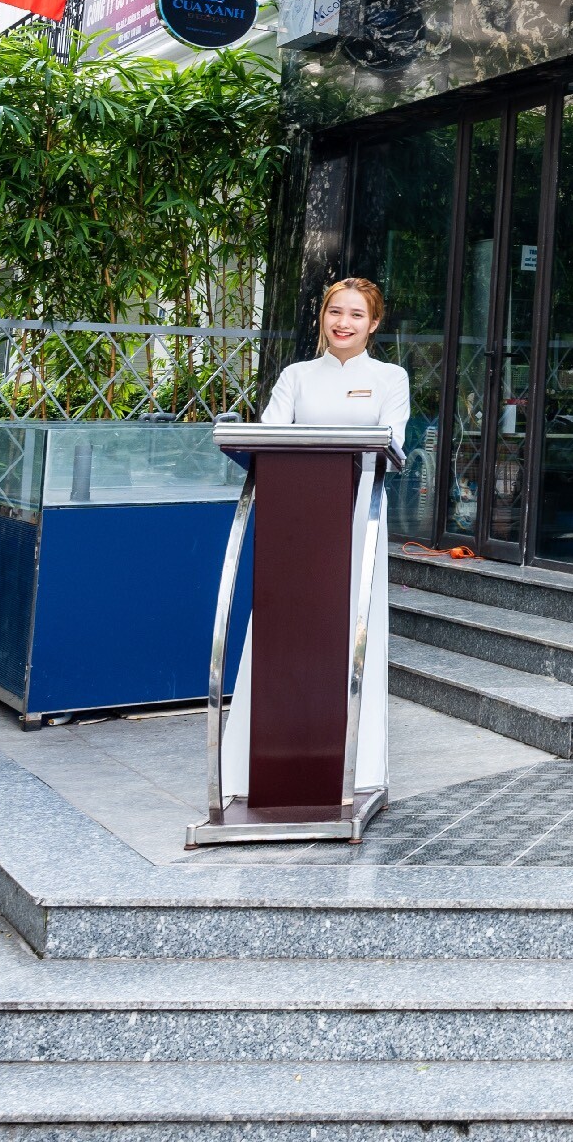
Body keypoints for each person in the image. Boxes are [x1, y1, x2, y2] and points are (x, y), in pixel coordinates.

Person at [220, 278, 410, 807]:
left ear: (374, 324)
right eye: (334, 311)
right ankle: (258, 768)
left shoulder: (389, 378)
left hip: (357, 517)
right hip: (294, 529)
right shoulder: (296, 376)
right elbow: (269, 436)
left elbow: (392, 441)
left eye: (356, 314)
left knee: (351, 630)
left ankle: (356, 772)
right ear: (322, 317)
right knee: (283, 631)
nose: (343, 323)